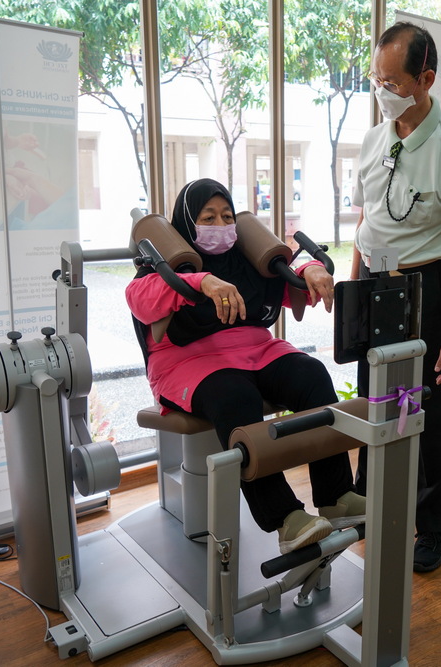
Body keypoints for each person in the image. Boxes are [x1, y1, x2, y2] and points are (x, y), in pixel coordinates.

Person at [126, 178, 365, 554]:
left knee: (311, 375)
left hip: (256, 349)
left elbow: (290, 282)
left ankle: (336, 497)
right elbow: (139, 297)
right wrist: (201, 281)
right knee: (234, 395)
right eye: (208, 218)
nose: (220, 225)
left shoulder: (245, 260)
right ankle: (285, 518)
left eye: (227, 216)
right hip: (188, 362)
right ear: (187, 223)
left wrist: (312, 269)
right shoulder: (165, 267)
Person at [351, 23, 441, 573]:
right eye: (375, 78)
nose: (380, 90)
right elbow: (364, 222)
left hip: (425, 288)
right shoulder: (373, 139)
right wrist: (353, 289)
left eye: (390, 82)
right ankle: (367, 506)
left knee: (427, 410)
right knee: (374, 402)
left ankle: (431, 529)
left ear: (425, 79)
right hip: (373, 286)